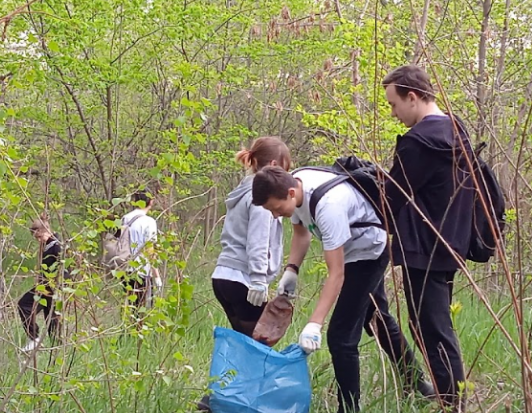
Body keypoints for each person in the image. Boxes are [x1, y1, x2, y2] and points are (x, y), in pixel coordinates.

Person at [251, 166, 433, 413]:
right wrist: (291, 269)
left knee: (340, 337)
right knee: (375, 317)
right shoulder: (293, 184)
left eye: (275, 208)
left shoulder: (329, 206)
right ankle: (417, 382)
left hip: (368, 252)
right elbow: (301, 232)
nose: (274, 215)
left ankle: (348, 408)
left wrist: (315, 323)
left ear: (291, 192)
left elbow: (337, 274)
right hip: (351, 251)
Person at [381, 64, 474, 409]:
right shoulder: (455, 129)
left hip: (424, 246)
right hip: (451, 241)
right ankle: (449, 391)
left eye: (394, 104)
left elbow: (391, 197)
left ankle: (452, 401)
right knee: (433, 324)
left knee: (430, 326)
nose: (393, 113)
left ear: (414, 97)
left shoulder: (419, 143)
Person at [197, 136, 291, 412]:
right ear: (273, 165)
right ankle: (224, 401)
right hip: (244, 279)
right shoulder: (262, 196)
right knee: (258, 348)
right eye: (284, 168)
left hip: (224, 276)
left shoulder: (242, 189)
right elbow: (258, 240)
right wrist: (259, 279)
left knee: (246, 345)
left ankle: (220, 401)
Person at [18, 216, 67, 352]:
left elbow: (66, 268)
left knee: (26, 305)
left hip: (51, 287)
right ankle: (36, 339)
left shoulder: (57, 245)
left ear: (47, 231)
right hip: (44, 286)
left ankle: (52, 347)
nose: (39, 240)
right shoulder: (47, 246)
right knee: (48, 317)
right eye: (36, 238)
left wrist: (58, 286)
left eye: (40, 236)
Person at [120, 190, 161, 316]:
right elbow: (150, 249)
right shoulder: (149, 222)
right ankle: (136, 334)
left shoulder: (125, 218)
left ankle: (126, 333)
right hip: (142, 270)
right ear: (151, 202)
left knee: (128, 306)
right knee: (140, 310)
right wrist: (157, 275)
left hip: (125, 268)